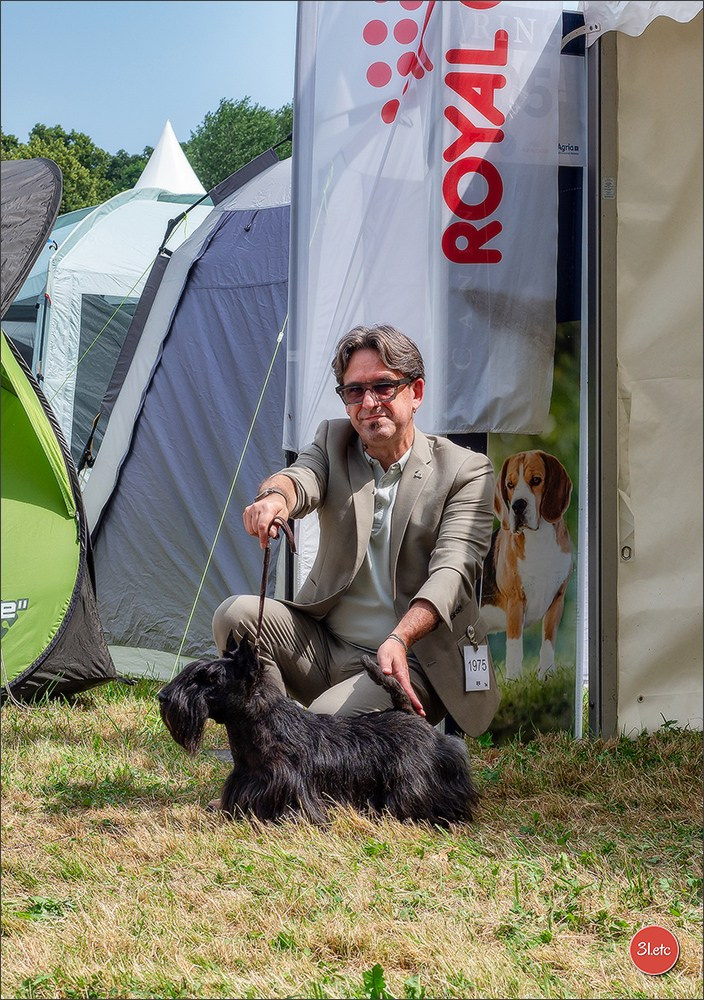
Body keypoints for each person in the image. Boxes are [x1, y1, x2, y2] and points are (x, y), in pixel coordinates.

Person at [213, 324, 500, 737]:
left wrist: (400, 639)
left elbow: (453, 573)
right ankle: (271, 743)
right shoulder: (334, 440)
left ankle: (301, 744)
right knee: (234, 616)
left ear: (416, 392)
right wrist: (275, 498)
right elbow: (302, 477)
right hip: (326, 647)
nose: (368, 403)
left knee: (324, 727)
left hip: (412, 659)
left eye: (383, 387)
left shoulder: (466, 470)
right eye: (354, 391)